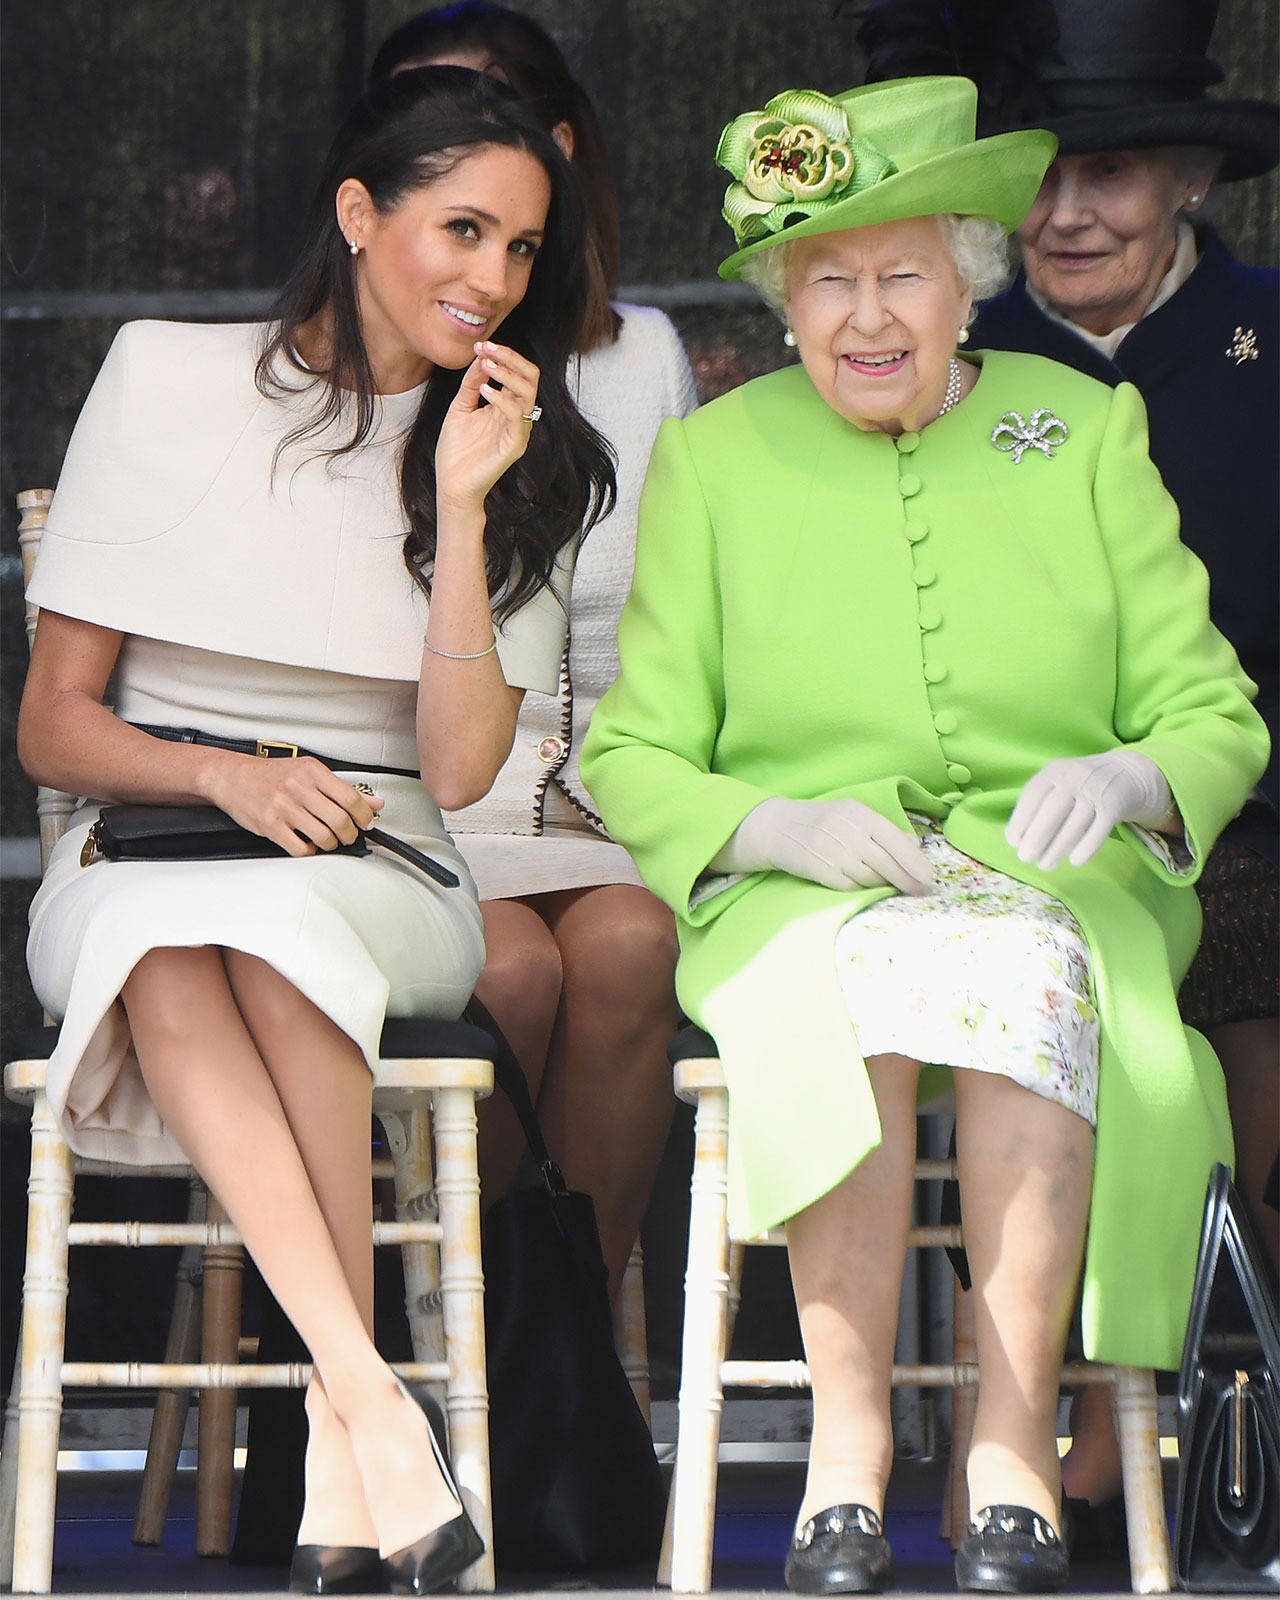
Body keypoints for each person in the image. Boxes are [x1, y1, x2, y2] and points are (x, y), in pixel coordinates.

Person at [581, 73, 1268, 1595]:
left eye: (903, 273)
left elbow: (1211, 710)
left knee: (1024, 983)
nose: (867, 315)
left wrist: (1136, 780)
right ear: (783, 301)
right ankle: (847, 1457)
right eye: (827, 280)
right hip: (801, 897)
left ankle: (1014, 1447)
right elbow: (630, 749)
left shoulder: (1083, 427)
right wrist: (772, 822)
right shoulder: (718, 459)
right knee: (861, 993)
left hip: (1054, 884)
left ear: (971, 283)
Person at [18, 65, 613, 1597]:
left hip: (390, 860)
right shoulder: (161, 376)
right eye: (463, 230)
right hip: (145, 844)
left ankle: (359, 1419)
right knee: (184, 933)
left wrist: (469, 510)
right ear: (359, 214)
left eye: (525, 249)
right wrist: (223, 779)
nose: (493, 279)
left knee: (264, 932)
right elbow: (52, 727)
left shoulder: (527, 444)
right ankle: (368, 1410)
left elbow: (465, 769)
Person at [854, 0, 1280, 1536]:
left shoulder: (1271, 335)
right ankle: (1087, 1414)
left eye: (1111, 175)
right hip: (984, 820)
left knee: (1234, 937)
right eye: (1039, 177)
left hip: (1241, 805)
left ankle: (1206, 1379)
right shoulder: (939, 343)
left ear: (1190, 184)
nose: (1067, 213)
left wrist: (1177, 779)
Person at [371, 2, 697, 1297]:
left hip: (606, 794)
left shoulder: (642, 358)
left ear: (556, 151)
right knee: (506, 961)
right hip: (429, 798)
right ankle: (463, 1342)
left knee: (628, 945)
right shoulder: (368, 365)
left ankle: (559, 1342)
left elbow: (680, 623)